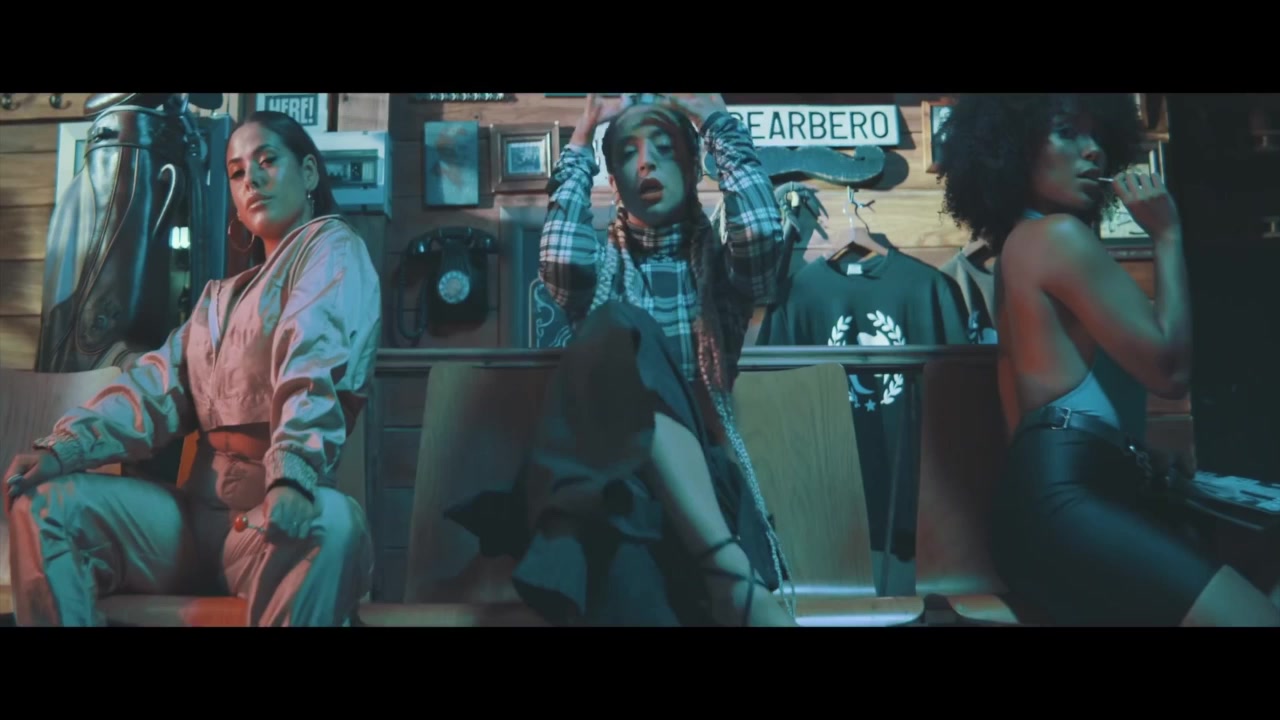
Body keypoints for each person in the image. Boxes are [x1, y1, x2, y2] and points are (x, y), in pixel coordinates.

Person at [3, 110, 380, 627]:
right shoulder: (217, 301)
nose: (252, 180)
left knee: (331, 522)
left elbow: (314, 360)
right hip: (190, 527)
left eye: (268, 161)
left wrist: (293, 477)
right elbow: (150, 391)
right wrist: (63, 448)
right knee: (45, 507)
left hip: (271, 521)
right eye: (237, 172)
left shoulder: (333, 249)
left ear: (309, 173)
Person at [447, 93, 797, 626]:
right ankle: (730, 578)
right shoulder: (596, 274)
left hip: (702, 495)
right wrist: (583, 134)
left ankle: (589, 540)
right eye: (629, 154)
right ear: (613, 181)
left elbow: (763, 234)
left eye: (664, 149)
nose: (646, 163)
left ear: (693, 167)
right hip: (618, 493)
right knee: (616, 326)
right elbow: (559, 257)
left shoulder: (723, 275)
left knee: (621, 328)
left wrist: (718, 123)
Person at [936, 93, 1280, 626]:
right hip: (1069, 507)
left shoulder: (1019, 245)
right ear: (1013, 147)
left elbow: (1040, 419)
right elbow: (1170, 372)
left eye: (1098, 134)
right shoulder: (1058, 237)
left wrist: (1131, 458)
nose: (1093, 150)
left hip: (1044, 508)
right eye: (1067, 131)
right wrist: (1167, 234)